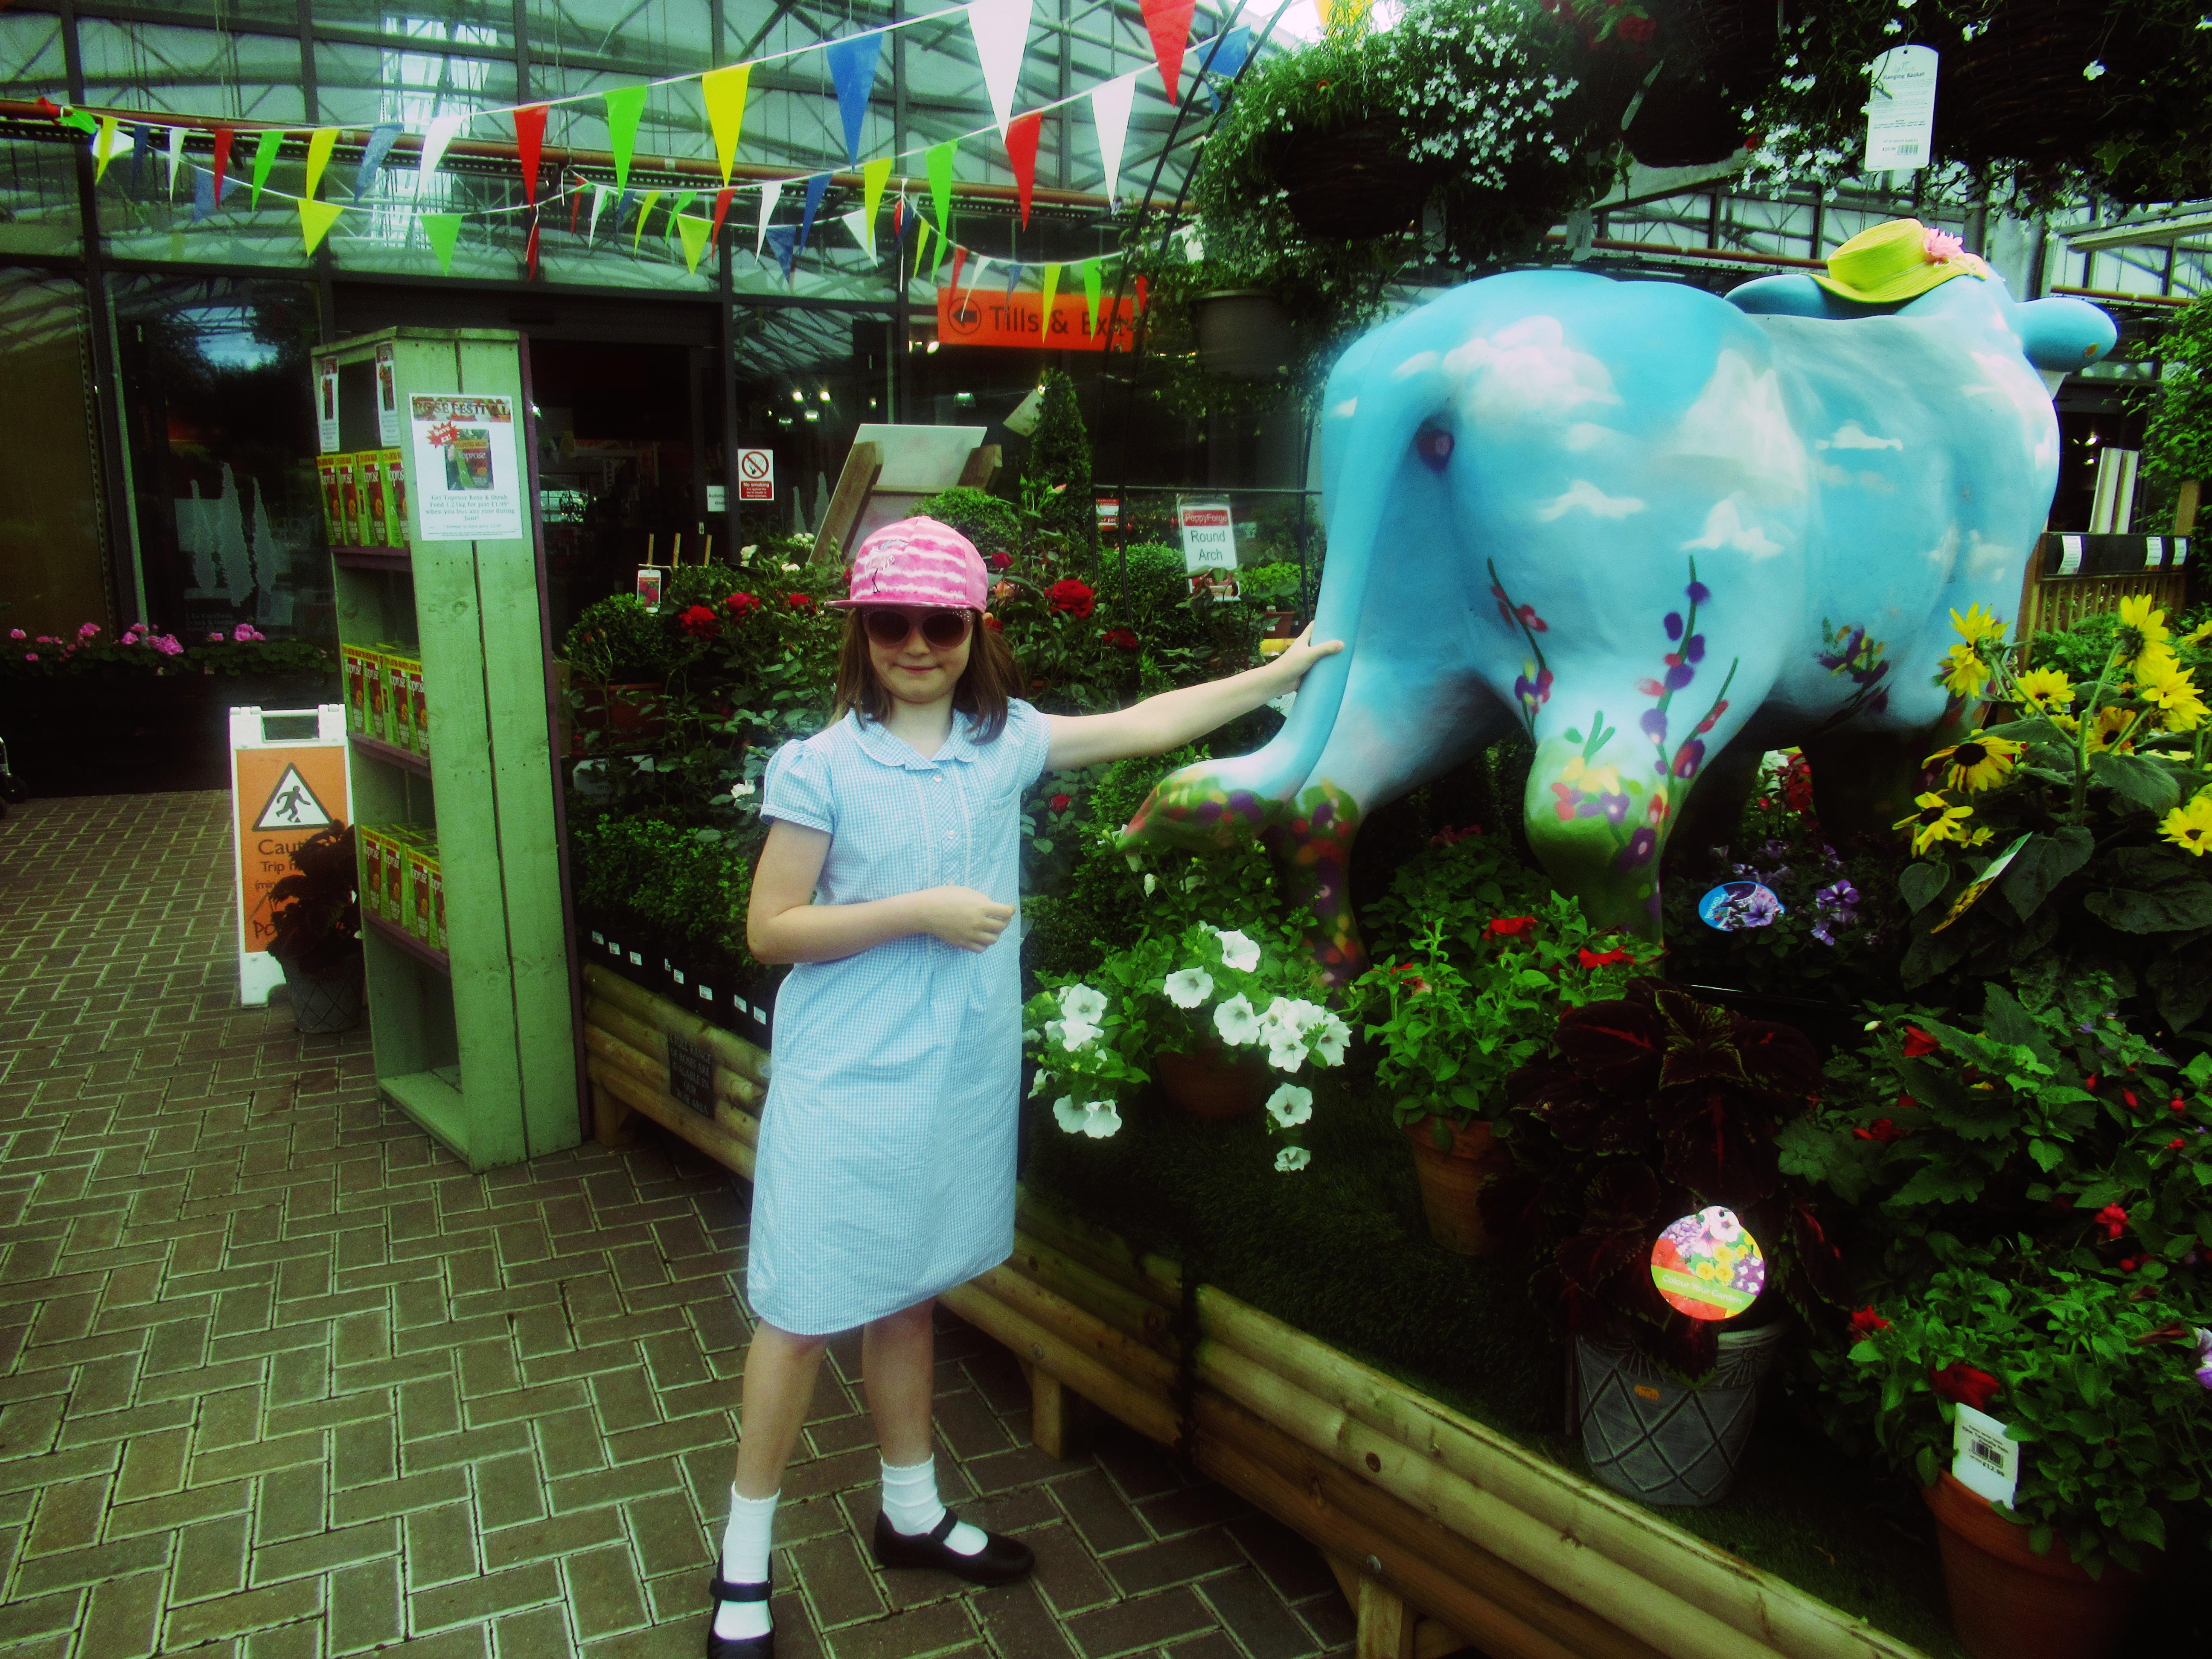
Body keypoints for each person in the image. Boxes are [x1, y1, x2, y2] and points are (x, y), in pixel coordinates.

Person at [701, 517, 1341, 1657]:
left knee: (908, 1293)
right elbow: (771, 928)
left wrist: (1277, 674)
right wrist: (921, 913)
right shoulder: (822, 765)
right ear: (860, 631)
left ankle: (911, 1511)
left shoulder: (1006, 743)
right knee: (799, 1314)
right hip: (845, 1074)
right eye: (890, 622)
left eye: (939, 623)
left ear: (974, 632)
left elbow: (1146, 724)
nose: (915, 644)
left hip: (957, 1069)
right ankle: (742, 1563)